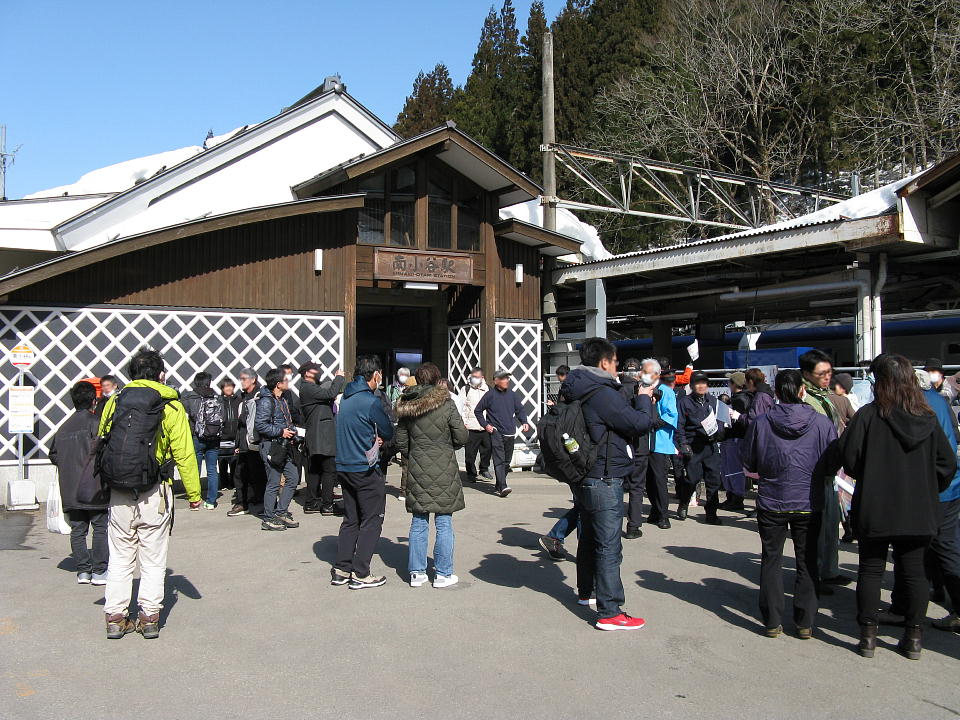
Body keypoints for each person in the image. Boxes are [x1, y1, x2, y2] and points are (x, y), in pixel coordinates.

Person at [839, 353, 956, 659]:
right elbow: (947, 463)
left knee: (871, 569)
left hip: (875, 504)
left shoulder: (868, 416)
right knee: (915, 572)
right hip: (918, 506)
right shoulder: (927, 417)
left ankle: (868, 636)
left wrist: (870, 474)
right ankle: (914, 637)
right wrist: (928, 486)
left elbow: (850, 459)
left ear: (880, 382)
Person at [98, 348, 201, 640]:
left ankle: (116, 617)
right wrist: (194, 493)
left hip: (119, 490)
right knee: (153, 557)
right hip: (155, 490)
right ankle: (149, 617)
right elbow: (184, 452)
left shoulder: (115, 401)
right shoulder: (171, 405)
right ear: (161, 375)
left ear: (131, 374)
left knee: (120, 556)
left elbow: (102, 437)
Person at [561, 337, 654, 630]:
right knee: (608, 544)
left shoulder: (577, 386)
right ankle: (610, 610)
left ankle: (586, 592)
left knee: (590, 537)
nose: (618, 367)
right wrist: (644, 397)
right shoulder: (602, 392)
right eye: (615, 362)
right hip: (604, 473)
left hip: (584, 472)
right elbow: (638, 423)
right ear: (604, 362)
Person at [740, 370, 838, 639]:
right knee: (807, 561)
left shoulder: (761, 422)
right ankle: (805, 621)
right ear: (802, 391)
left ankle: (772, 621)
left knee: (771, 559)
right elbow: (833, 461)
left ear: (777, 393)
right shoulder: (821, 423)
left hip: (773, 498)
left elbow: (749, 460)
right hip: (809, 499)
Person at [880, 369, 960, 633]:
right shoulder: (937, 400)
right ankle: (920, 598)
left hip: (933, 489)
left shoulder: (915, 404)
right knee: (934, 547)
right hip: (947, 486)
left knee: (920, 548)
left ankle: (907, 608)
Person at [395, 362, 469, 588]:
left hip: (417, 467)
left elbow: (401, 441)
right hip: (444, 467)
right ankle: (443, 573)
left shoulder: (407, 403)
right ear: (438, 379)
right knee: (444, 521)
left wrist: (414, 454)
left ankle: (417, 573)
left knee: (419, 521)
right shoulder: (446, 402)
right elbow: (461, 436)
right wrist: (447, 447)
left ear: (417, 379)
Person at [332, 355, 395, 589]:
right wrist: (378, 437)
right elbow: (388, 429)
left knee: (351, 519)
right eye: (380, 374)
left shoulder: (346, 398)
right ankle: (361, 572)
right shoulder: (370, 400)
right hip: (364, 468)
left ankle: (342, 568)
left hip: (344, 465)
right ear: (375, 374)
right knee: (372, 519)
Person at [49, 381, 109, 586]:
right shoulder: (96, 423)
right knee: (100, 527)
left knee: (78, 529)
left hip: (70, 487)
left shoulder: (63, 427)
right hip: (94, 486)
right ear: (94, 401)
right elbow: (105, 451)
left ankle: (83, 570)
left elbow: (53, 454)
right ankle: (99, 570)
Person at [799, 349, 847, 591]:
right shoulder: (805, 399)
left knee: (831, 522)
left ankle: (829, 570)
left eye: (829, 372)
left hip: (830, 468)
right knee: (818, 527)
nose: (828, 377)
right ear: (807, 374)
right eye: (822, 373)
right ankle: (817, 574)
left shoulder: (824, 396)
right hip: (815, 469)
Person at [676, 371, 727, 525]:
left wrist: (719, 433)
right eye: (698, 383)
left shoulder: (713, 401)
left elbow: (720, 421)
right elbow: (679, 425)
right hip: (693, 445)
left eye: (704, 383)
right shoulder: (684, 402)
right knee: (693, 478)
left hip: (710, 445)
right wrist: (683, 444)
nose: (701, 386)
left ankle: (711, 513)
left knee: (713, 480)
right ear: (692, 385)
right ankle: (684, 502)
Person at [255, 368, 301, 531]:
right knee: (274, 482)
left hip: (284, 445)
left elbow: (285, 421)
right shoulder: (266, 401)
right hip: (271, 445)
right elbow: (261, 425)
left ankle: (281, 512)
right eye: (286, 380)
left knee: (293, 477)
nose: (288, 382)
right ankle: (268, 518)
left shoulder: (282, 399)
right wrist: (281, 432)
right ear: (278, 384)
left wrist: (293, 432)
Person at [474, 370, 529, 498]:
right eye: (504, 378)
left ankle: (499, 483)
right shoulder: (489, 395)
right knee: (499, 460)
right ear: (496, 381)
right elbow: (478, 411)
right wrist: (486, 425)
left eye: (507, 378)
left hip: (510, 432)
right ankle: (503, 486)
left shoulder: (512, 395)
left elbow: (520, 410)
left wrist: (524, 421)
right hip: (496, 432)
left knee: (507, 461)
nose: (507, 381)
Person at [299, 363, 346, 515]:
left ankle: (311, 502)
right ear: (306, 373)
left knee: (315, 470)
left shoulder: (310, 388)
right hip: (321, 435)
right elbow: (330, 393)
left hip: (317, 435)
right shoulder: (308, 387)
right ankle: (327, 504)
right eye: (315, 369)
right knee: (328, 469)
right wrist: (339, 378)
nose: (318, 371)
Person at [618, 358, 652, 538]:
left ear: (623, 372)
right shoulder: (643, 391)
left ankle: (613, 524)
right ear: (639, 373)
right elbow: (649, 420)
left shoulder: (615, 391)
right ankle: (633, 526)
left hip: (619, 445)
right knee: (637, 486)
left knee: (615, 485)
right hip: (639, 444)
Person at [181, 372, 223, 510]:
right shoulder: (217, 397)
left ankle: (195, 499)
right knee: (212, 469)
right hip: (214, 437)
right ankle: (211, 501)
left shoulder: (189, 397)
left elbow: (186, 413)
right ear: (209, 382)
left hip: (197, 436)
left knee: (195, 469)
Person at [228, 368, 266, 517]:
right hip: (244, 443)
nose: (241, 382)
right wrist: (237, 444)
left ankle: (261, 503)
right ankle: (243, 502)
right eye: (241, 379)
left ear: (253, 380)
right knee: (240, 474)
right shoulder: (243, 397)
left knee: (257, 474)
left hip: (255, 442)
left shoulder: (259, 396)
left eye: (244, 379)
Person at [636, 359, 668, 531]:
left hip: (659, 442)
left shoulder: (665, 391)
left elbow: (671, 415)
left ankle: (664, 515)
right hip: (643, 443)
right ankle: (655, 511)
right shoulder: (640, 388)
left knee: (659, 479)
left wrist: (655, 423)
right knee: (648, 480)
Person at [459, 368, 492, 482]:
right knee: (470, 453)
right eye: (473, 376)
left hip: (485, 426)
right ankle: (471, 473)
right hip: (471, 426)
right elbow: (461, 406)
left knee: (487, 449)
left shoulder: (488, 389)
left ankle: (484, 468)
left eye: (477, 377)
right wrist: (464, 422)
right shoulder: (466, 389)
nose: (474, 379)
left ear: (482, 378)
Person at [218, 377, 241, 499]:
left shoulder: (238, 400)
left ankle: (233, 482)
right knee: (222, 461)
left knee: (234, 461)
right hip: (223, 436)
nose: (228, 388)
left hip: (235, 436)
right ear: (222, 388)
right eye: (226, 386)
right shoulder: (219, 401)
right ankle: (223, 483)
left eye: (230, 386)